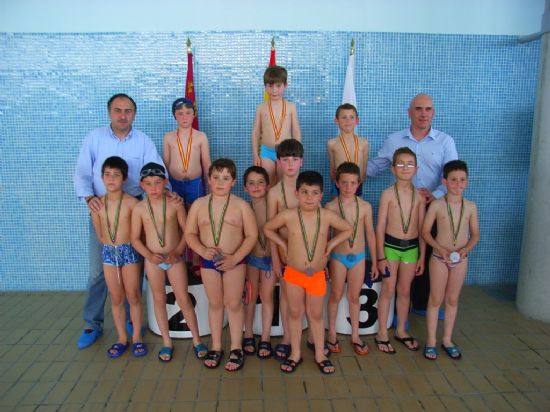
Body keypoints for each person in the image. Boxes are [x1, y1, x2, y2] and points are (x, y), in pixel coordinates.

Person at [74, 93, 167, 349]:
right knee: (97, 274)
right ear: (109, 113)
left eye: (128, 111)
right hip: (102, 210)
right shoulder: (95, 138)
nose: (122, 115)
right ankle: (93, 323)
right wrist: (89, 197)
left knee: (132, 274)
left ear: (134, 114)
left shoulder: (143, 141)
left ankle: (130, 325)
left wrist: (169, 197)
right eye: (117, 110)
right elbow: (82, 171)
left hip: (134, 211)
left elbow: (157, 171)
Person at [367, 93, 458, 315]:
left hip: (433, 207)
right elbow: (375, 167)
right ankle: (398, 310)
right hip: (401, 206)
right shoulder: (394, 140)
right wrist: (346, 167)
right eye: (418, 109)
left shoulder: (445, 141)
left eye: (428, 109)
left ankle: (419, 304)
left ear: (433, 112)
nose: (423, 114)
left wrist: (435, 194)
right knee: (399, 257)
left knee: (425, 257)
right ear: (409, 112)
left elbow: (452, 175)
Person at [264, 171, 352, 374]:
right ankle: (295, 353)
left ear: (321, 195)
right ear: (296, 194)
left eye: (314, 193)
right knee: (295, 313)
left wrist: (330, 245)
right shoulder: (289, 215)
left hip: (317, 275)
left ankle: (320, 353)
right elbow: (268, 228)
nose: (309, 197)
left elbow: (347, 229)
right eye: (304, 192)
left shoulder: (327, 216)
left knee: (315, 314)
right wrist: (283, 244)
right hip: (293, 274)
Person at [185, 158, 258, 371]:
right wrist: (201, 251)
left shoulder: (242, 206)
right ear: (208, 179)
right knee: (215, 303)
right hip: (209, 261)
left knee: (234, 304)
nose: (220, 182)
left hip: (235, 261)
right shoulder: (199, 205)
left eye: (225, 178)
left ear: (233, 182)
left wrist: (235, 258)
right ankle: (216, 346)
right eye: (216, 177)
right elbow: (189, 234)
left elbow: (251, 236)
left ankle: (236, 347)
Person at [131, 163, 206, 362]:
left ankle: (197, 339)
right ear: (141, 185)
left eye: (157, 183)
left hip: (175, 258)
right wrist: (148, 255)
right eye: (148, 184)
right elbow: (135, 239)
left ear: (166, 182)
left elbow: (187, 232)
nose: (154, 188)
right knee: (158, 299)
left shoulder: (175, 204)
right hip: (152, 260)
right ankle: (166, 342)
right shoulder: (139, 209)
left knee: (183, 298)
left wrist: (178, 252)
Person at [421, 160, 479, 360]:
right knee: (435, 299)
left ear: (467, 182)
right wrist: (440, 249)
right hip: (439, 258)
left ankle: (447, 339)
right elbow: (425, 232)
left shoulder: (470, 207)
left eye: (462, 180)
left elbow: (475, 235)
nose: (458, 184)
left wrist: (465, 250)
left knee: (452, 299)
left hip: (460, 260)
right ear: (444, 181)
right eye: (453, 180)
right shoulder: (437, 205)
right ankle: (430, 341)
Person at [91, 157, 145, 358]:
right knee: (116, 297)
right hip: (108, 253)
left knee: (133, 296)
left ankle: (137, 337)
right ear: (102, 178)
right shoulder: (97, 205)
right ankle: (122, 338)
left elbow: (138, 233)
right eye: (107, 175)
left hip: (128, 251)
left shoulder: (132, 203)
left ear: (124, 178)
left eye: (116, 175)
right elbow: (100, 235)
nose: (111, 179)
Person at [375, 147, 426, 354]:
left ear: (416, 169)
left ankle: (402, 330)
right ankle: (381, 333)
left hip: (411, 249)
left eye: (410, 164)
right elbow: (379, 227)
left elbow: (422, 230)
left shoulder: (420, 196)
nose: (405, 168)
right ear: (393, 169)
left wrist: (422, 256)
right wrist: (380, 256)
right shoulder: (387, 194)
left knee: (405, 291)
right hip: (390, 248)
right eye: (401, 164)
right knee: (388, 289)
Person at [325, 162, 378, 355]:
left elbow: (370, 234)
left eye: (352, 183)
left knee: (354, 297)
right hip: (338, 257)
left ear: (358, 184)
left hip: (359, 257)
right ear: (337, 183)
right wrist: (325, 260)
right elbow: (327, 236)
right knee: (336, 295)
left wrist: (376, 260)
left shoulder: (365, 207)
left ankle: (355, 335)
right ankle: (331, 334)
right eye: (344, 183)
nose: (348, 187)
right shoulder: (330, 206)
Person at [266, 138, 302, 361]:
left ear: (301, 162)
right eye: (286, 160)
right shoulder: (274, 193)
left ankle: (307, 338)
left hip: (307, 256)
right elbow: (271, 228)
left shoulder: (308, 188)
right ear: (278, 162)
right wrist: (276, 259)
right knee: (288, 298)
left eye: (294, 160)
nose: (290, 164)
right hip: (285, 254)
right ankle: (288, 338)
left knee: (305, 299)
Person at [242, 166, 275, 359]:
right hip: (252, 260)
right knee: (251, 296)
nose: (256, 187)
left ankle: (265, 337)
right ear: (245, 188)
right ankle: (247, 334)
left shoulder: (274, 206)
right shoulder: (243, 208)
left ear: (268, 186)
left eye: (260, 182)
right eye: (251, 183)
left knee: (267, 296)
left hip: (271, 260)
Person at [251, 65, 301, 184]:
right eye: (270, 86)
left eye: (278, 86)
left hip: (286, 153)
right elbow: (256, 132)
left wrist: (297, 154)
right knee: (266, 184)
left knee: (284, 184)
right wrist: (255, 154)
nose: (274, 90)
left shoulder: (290, 107)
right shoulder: (261, 108)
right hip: (266, 152)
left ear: (285, 85)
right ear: (265, 86)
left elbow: (296, 131)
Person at [163, 97, 211, 208]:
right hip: (175, 182)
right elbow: (165, 164)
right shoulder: (168, 137)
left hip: (195, 184)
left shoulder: (201, 136)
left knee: (195, 211)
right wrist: (165, 186)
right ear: (174, 115)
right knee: (176, 211)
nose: (184, 117)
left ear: (194, 114)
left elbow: (207, 163)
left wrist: (210, 186)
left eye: (188, 113)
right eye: (180, 113)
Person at [327, 104, 369, 195]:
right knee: (337, 207)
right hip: (339, 185)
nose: (348, 120)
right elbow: (333, 169)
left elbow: (364, 169)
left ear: (357, 120)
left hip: (357, 185)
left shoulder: (364, 143)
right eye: (344, 117)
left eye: (351, 117)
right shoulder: (332, 143)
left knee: (356, 207)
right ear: (336, 120)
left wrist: (357, 183)